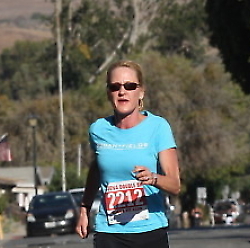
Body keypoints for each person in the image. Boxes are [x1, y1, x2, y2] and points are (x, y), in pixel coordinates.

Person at [75, 60, 180, 248]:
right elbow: (97, 169)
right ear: (108, 93)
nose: (122, 92)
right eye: (115, 87)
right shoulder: (98, 129)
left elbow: (175, 185)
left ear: (141, 92)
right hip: (109, 232)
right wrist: (84, 209)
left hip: (150, 230)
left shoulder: (158, 127)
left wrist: (153, 178)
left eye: (130, 86)